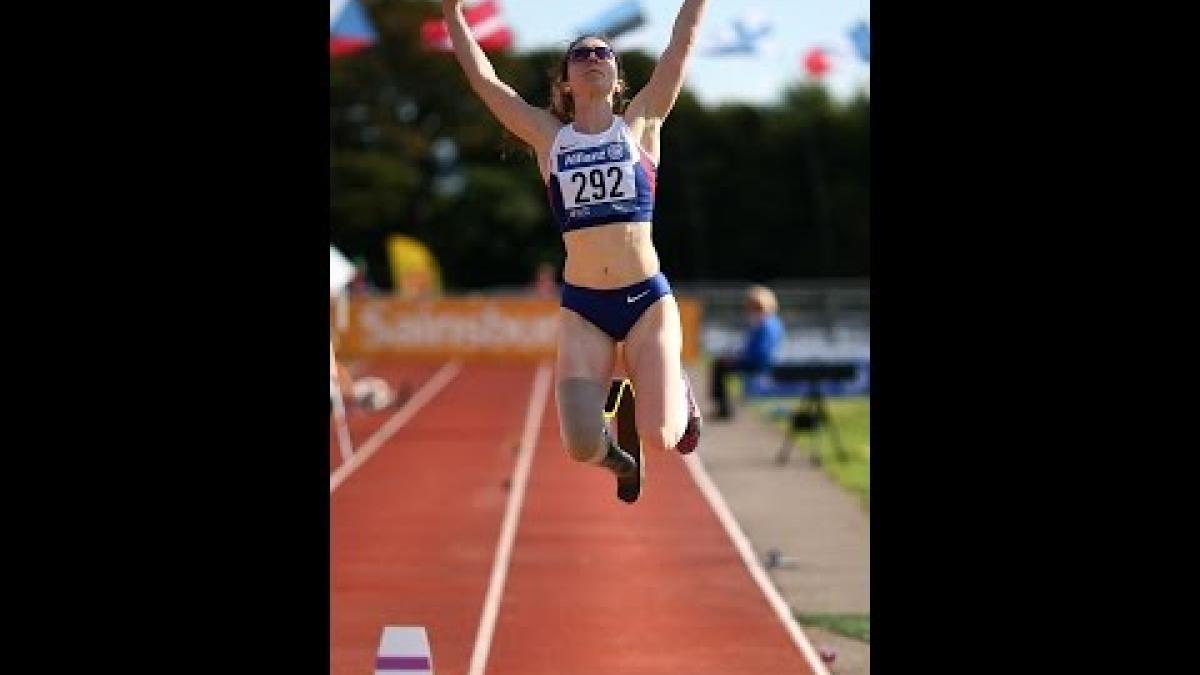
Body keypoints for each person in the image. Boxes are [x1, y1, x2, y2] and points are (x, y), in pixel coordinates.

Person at [441, 0, 708, 503]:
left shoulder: (642, 123)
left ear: (617, 76)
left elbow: (682, 44)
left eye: (603, 52)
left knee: (664, 435)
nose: (593, 57)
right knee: (582, 446)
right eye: (581, 53)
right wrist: (453, 14)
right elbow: (484, 81)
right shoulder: (549, 137)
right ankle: (621, 462)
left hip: (646, 303)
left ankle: (676, 391)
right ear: (564, 80)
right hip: (585, 308)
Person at [709, 284, 786, 420]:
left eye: (753, 306)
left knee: (719, 366)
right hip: (758, 360)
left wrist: (737, 358)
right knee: (721, 363)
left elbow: (759, 352)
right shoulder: (770, 322)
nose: (749, 309)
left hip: (758, 363)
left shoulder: (765, 324)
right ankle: (723, 407)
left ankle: (723, 409)